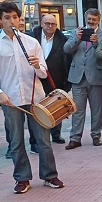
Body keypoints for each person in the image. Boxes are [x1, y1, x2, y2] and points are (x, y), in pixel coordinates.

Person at [0, 1, 64, 194]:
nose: (12, 21)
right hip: (10, 99)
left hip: (36, 98)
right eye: (7, 18)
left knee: (44, 140)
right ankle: (22, 178)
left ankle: (50, 175)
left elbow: (44, 73)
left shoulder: (32, 42)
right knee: (16, 141)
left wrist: (36, 66)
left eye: (15, 17)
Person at [64, 8, 102, 149]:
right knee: (77, 110)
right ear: (85, 19)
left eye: (94, 19)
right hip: (78, 77)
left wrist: (96, 44)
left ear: (99, 20)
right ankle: (75, 138)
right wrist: (77, 38)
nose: (91, 22)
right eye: (89, 19)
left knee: (97, 109)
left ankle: (96, 135)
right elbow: (67, 49)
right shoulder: (76, 33)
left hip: (96, 76)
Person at [29, 14, 71, 144]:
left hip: (56, 78)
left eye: (53, 24)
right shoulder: (31, 37)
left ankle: (56, 134)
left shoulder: (62, 39)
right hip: (35, 78)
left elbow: (67, 60)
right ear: (41, 24)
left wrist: (66, 82)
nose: (50, 26)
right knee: (35, 110)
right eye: (47, 23)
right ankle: (34, 139)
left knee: (56, 107)